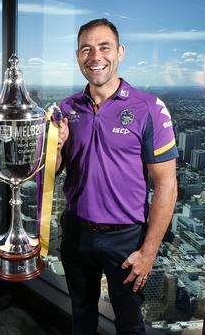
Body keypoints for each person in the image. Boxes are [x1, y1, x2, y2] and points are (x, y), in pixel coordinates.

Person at [57, 18, 178, 335]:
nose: (95, 56)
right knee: (81, 313)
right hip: (76, 230)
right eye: (87, 49)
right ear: (78, 56)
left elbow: (167, 185)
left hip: (126, 238)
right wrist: (55, 146)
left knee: (129, 323)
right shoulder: (64, 109)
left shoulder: (148, 108)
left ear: (120, 52)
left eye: (104, 47)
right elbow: (51, 171)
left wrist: (148, 252)